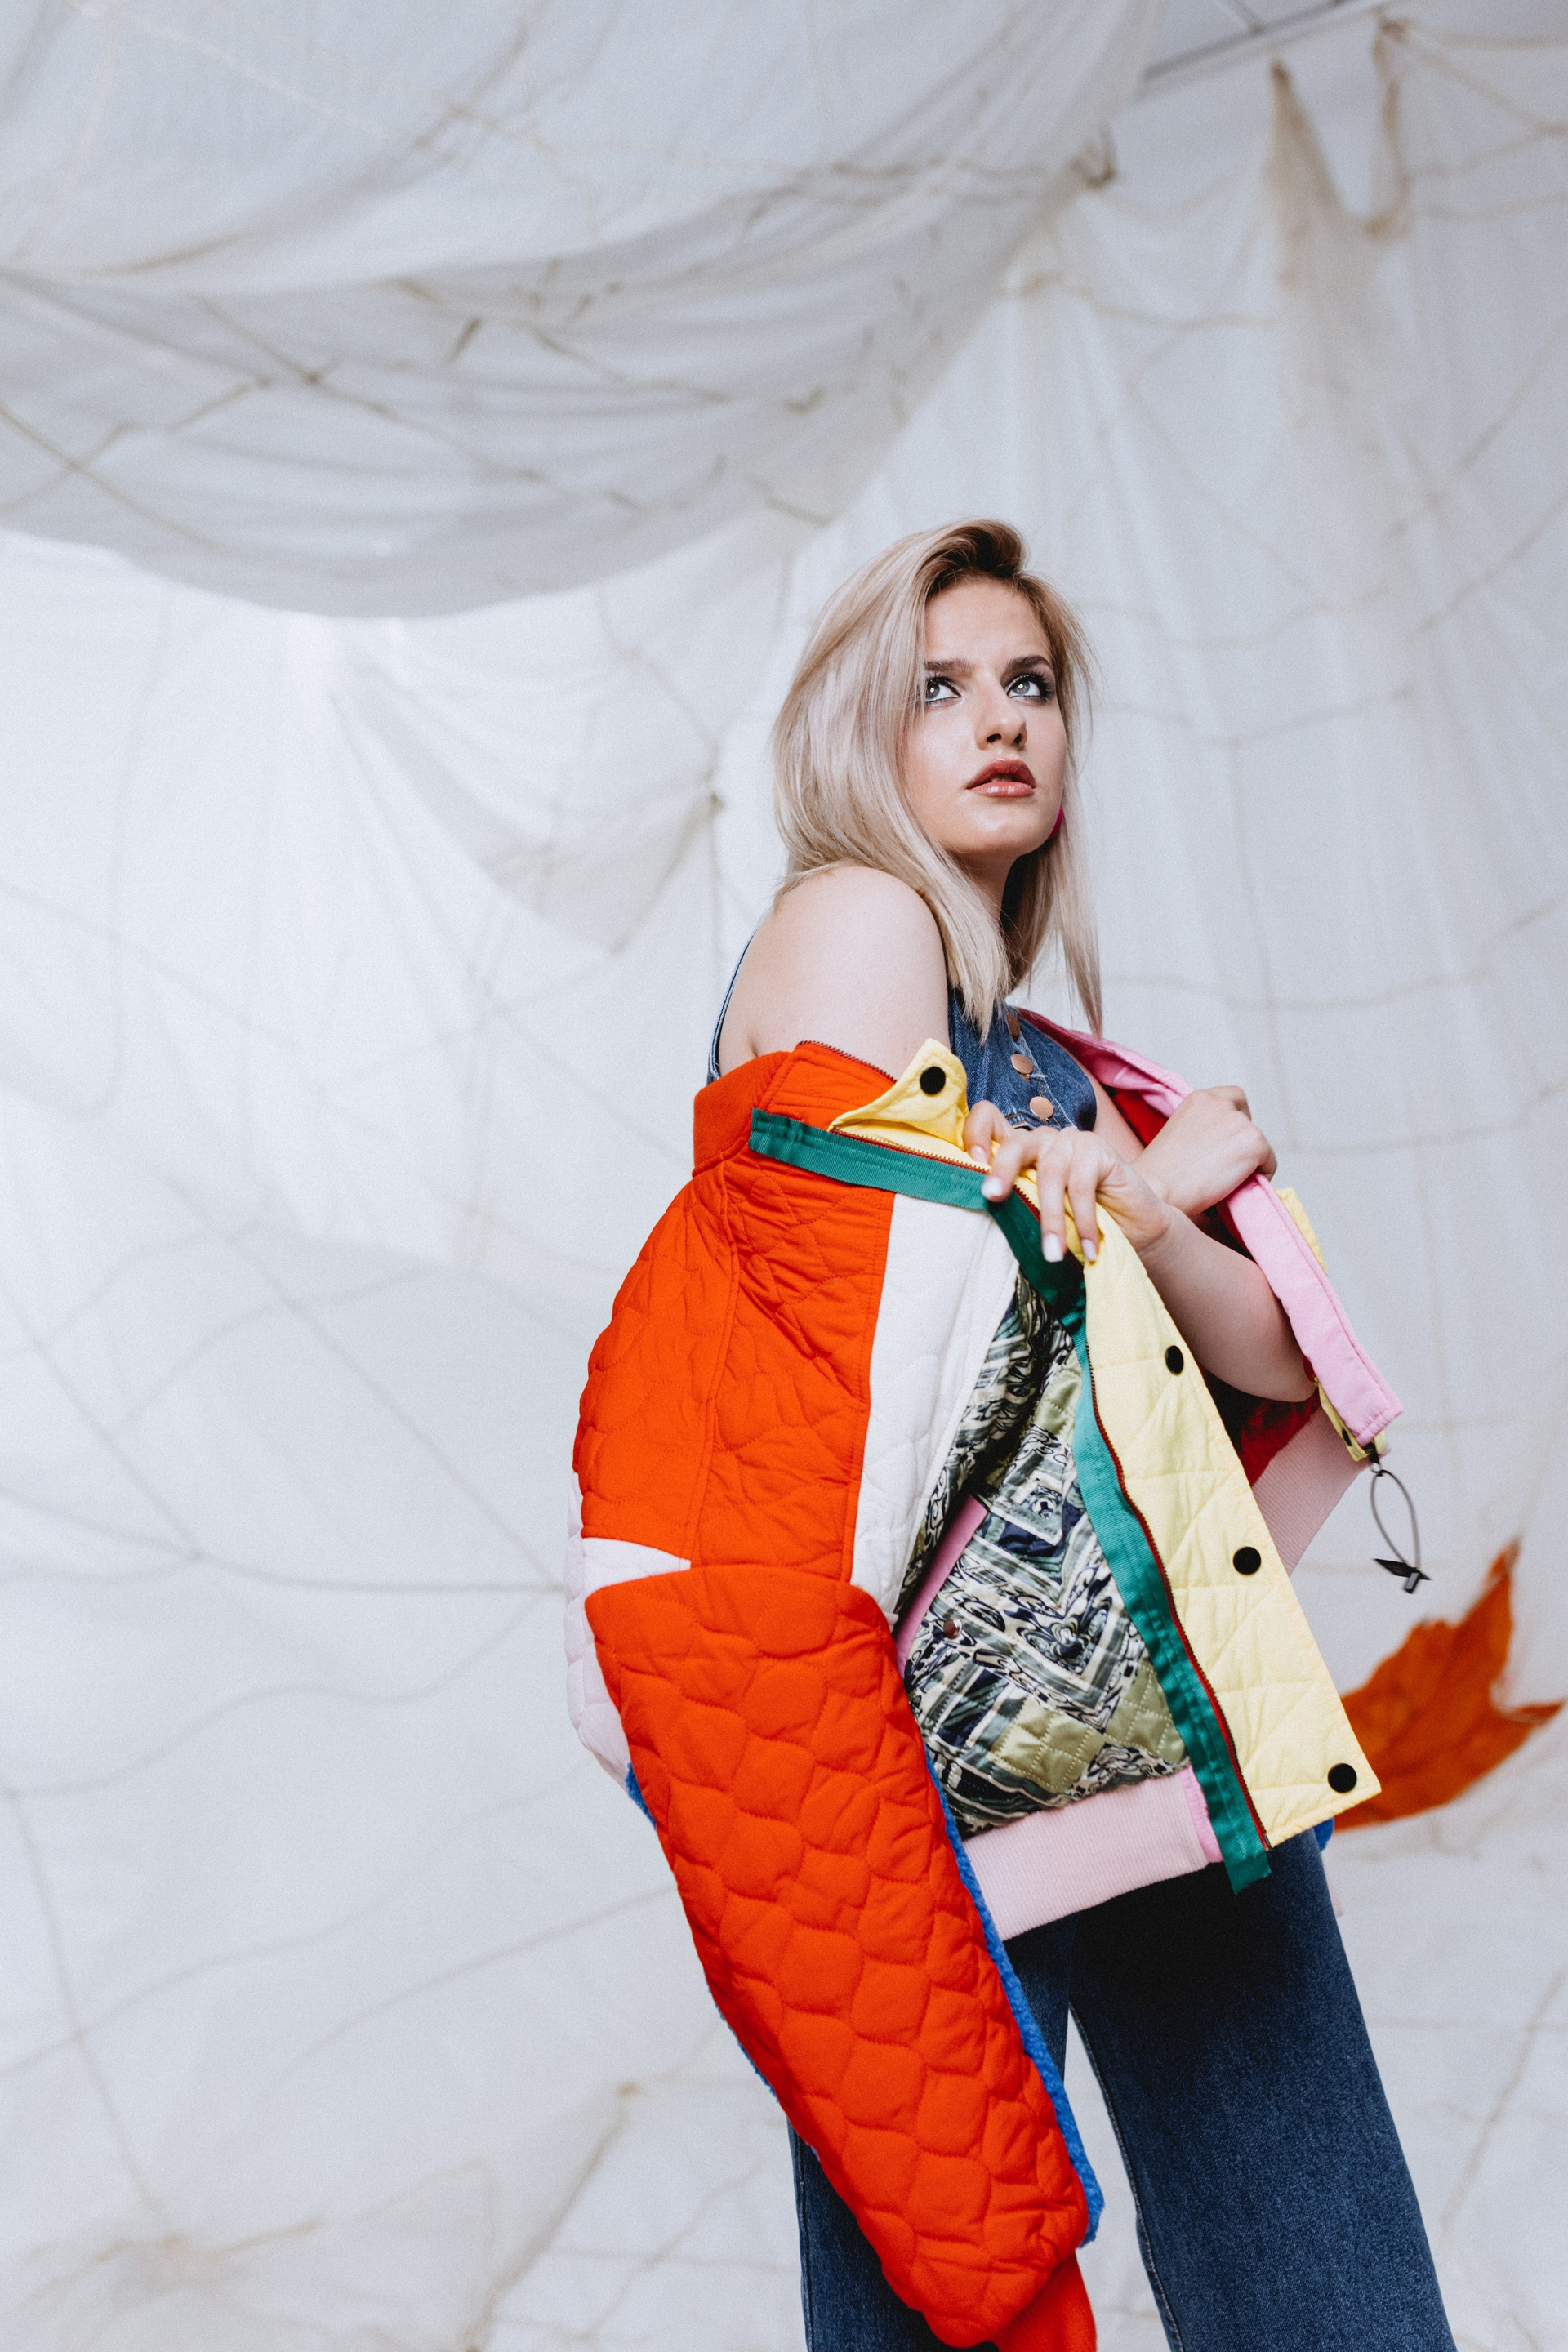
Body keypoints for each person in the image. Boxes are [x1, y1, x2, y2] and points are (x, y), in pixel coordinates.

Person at [568, 521, 1454, 2350]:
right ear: (857, 736)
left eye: (1031, 685)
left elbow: (1265, 1353)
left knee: (1288, 2244)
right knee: (988, 2256)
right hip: (930, 1704)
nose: (1002, 722)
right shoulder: (858, 918)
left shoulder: (1029, 1051)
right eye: (942, 689)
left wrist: (1134, 1207)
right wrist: (1138, 1194)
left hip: (1113, 1676)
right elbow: (897, 1323)